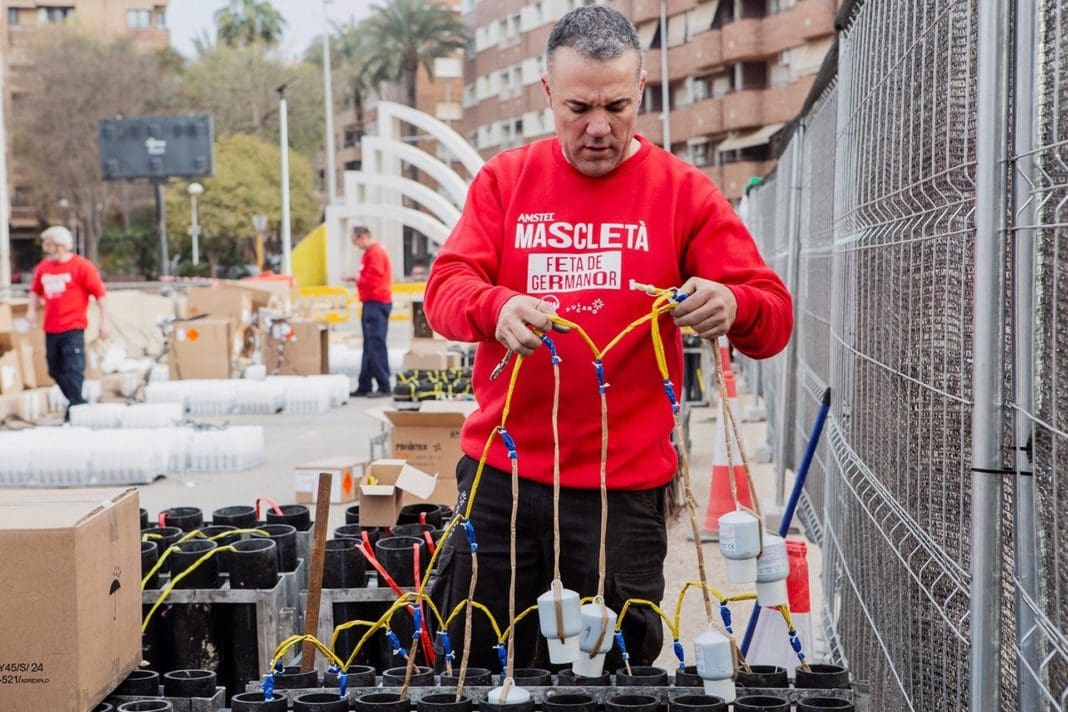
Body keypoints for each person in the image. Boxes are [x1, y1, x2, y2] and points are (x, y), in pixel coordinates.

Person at [424, 6, 793, 671]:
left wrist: (731, 302)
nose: (599, 127)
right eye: (578, 108)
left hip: (620, 494)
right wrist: (494, 305)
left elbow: (773, 317)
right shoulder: (505, 183)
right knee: (478, 660)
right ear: (546, 94)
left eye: (617, 106)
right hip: (503, 480)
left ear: (642, 89)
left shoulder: (685, 193)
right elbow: (444, 292)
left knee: (614, 670)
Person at [26, 225, 109, 418]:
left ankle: (76, 407)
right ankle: (77, 402)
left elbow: (101, 296)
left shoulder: (82, 266)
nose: (45, 249)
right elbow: (34, 291)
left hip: (73, 327)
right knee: (54, 369)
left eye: (49, 245)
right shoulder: (44, 268)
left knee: (73, 368)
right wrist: (31, 310)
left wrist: (104, 323)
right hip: (51, 328)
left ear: (61, 246)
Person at [342, 225, 393, 397]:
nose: (355, 245)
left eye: (355, 241)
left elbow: (372, 279)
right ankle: (364, 384)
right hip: (371, 302)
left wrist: (356, 278)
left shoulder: (375, 253)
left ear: (363, 236)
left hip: (376, 302)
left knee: (376, 344)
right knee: (369, 344)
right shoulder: (369, 254)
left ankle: (384, 385)